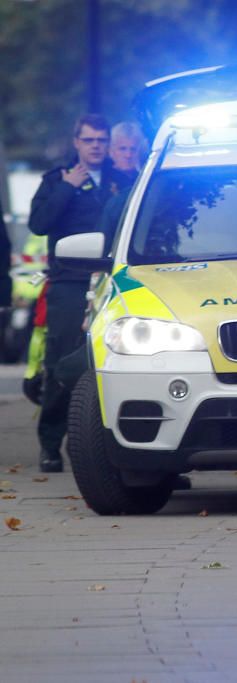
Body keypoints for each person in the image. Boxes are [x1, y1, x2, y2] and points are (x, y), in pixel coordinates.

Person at [28, 114, 133, 473]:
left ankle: (108, 442)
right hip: (70, 284)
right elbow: (39, 224)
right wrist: (68, 188)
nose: (96, 146)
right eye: (89, 140)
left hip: (114, 284)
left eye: (101, 140)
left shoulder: (125, 181)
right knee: (61, 361)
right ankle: (50, 443)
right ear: (76, 142)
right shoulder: (58, 180)